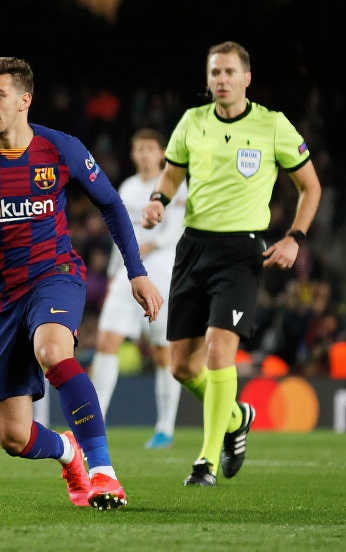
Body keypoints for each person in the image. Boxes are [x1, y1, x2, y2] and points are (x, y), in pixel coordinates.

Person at [0, 54, 162, 510]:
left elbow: (110, 204)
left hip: (54, 275)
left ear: (24, 100)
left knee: (52, 350)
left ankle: (104, 473)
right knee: (12, 436)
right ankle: (68, 452)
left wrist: (136, 272)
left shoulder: (60, 149)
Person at [141, 41, 320, 487]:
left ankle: (205, 463)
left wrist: (295, 238)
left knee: (220, 349)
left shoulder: (272, 125)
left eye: (228, 72)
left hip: (241, 251)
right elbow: (172, 173)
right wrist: (159, 199)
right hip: (193, 248)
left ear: (246, 78)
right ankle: (237, 418)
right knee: (182, 367)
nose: (221, 80)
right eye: (214, 73)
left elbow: (311, 187)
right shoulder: (192, 121)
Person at [91, 128, 186, 449]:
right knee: (106, 341)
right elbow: (117, 232)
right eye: (139, 149)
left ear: (161, 153)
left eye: (149, 148)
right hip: (126, 272)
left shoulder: (175, 184)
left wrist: (147, 246)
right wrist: (112, 272)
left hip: (161, 270)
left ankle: (165, 427)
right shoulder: (128, 188)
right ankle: (95, 424)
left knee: (162, 350)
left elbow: (176, 231)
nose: (144, 154)